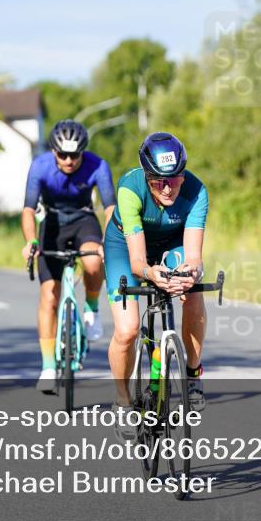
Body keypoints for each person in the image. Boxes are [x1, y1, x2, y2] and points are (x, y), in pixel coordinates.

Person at [105, 132, 209, 439]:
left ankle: (192, 374)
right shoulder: (129, 189)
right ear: (146, 175)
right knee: (127, 330)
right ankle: (123, 401)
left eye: (174, 179)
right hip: (125, 249)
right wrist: (152, 274)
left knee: (192, 292)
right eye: (158, 181)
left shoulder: (196, 190)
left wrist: (189, 274)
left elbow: (193, 257)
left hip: (171, 244)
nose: (167, 188)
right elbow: (138, 263)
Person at [20, 119, 116, 393]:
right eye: (63, 155)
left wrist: (107, 242)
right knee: (49, 295)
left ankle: (92, 309)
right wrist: (31, 241)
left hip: (84, 219)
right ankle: (49, 366)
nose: (69, 160)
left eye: (75, 155)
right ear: (54, 152)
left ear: (83, 152)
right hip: (52, 223)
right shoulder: (40, 166)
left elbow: (109, 208)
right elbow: (28, 210)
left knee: (94, 262)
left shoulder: (98, 165)